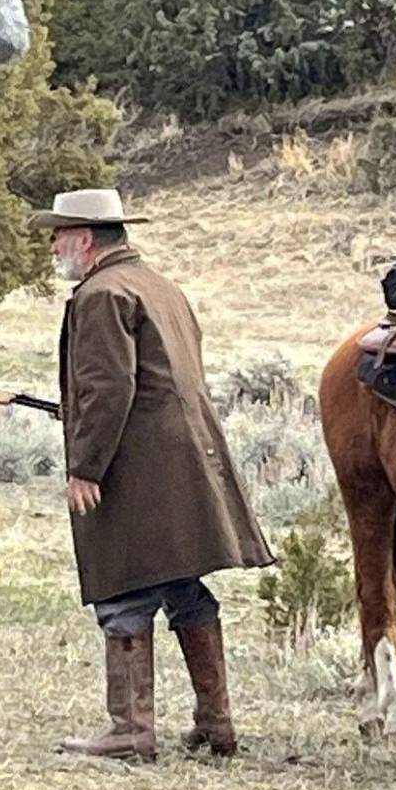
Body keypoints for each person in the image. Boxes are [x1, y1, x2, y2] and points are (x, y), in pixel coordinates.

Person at [29, 188, 275, 761]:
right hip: (184, 461)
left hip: (136, 465)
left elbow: (109, 389)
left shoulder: (100, 293)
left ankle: (132, 730)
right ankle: (217, 724)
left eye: (60, 234)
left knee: (124, 588)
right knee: (183, 585)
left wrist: (85, 467)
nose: (53, 245)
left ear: (85, 239)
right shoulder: (158, 285)